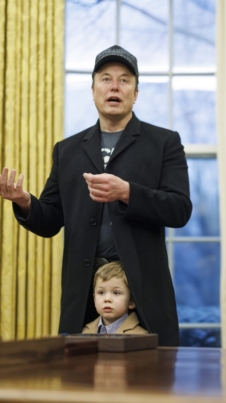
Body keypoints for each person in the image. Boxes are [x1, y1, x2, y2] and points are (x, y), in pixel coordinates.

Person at [0, 45, 192, 346]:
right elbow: (51, 219)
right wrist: (25, 201)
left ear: (135, 93)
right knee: (80, 385)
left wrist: (127, 192)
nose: (114, 86)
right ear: (93, 91)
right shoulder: (68, 150)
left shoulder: (164, 143)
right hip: (85, 293)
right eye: (105, 79)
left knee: (148, 386)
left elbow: (180, 210)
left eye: (124, 80)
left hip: (141, 292)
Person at [82, 261, 148, 335]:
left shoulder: (140, 336)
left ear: (131, 301)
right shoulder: (84, 332)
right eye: (101, 292)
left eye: (116, 293)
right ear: (94, 299)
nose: (107, 299)